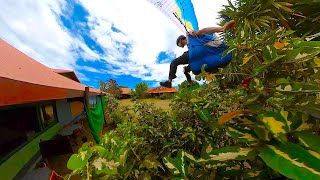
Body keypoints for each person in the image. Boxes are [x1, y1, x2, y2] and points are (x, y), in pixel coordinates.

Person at [159, 19, 236, 88]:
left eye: (178, 44)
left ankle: (169, 82)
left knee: (174, 63)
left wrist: (222, 29)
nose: (179, 46)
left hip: (194, 55)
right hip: (198, 58)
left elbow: (203, 30)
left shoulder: (191, 36)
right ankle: (190, 83)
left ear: (180, 40)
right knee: (186, 70)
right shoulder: (192, 44)